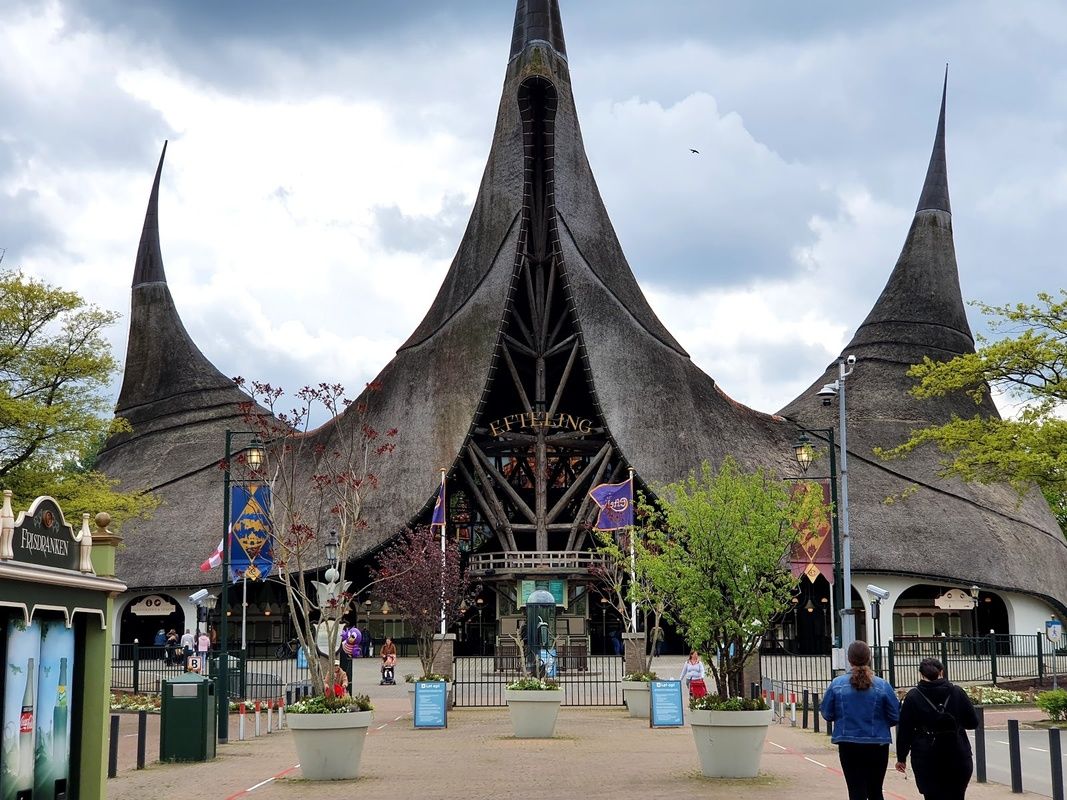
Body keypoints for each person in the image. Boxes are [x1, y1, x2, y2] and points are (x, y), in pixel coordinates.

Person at [820, 641, 900, 800]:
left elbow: (827, 714)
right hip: (877, 743)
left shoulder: (837, 684)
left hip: (848, 743)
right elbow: (895, 716)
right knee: (876, 790)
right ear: (869, 658)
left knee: (856, 790)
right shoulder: (882, 685)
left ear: (849, 660)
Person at [895, 658, 979, 800]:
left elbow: (905, 731)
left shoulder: (913, 697)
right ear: (942, 672)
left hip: (926, 757)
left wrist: (901, 758)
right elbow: (972, 723)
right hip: (958, 754)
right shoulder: (957, 692)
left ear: (921, 675)